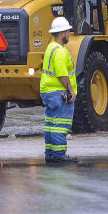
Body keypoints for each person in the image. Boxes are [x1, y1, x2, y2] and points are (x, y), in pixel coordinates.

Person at [40, 16, 77, 164]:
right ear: (62, 33)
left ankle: (50, 154)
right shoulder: (61, 52)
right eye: (68, 32)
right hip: (59, 92)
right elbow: (63, 75)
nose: (69, 34)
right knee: (60, 125)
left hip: (48, 91)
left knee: (50, 123)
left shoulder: (50, 47)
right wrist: (71, 92)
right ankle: (59, 155)